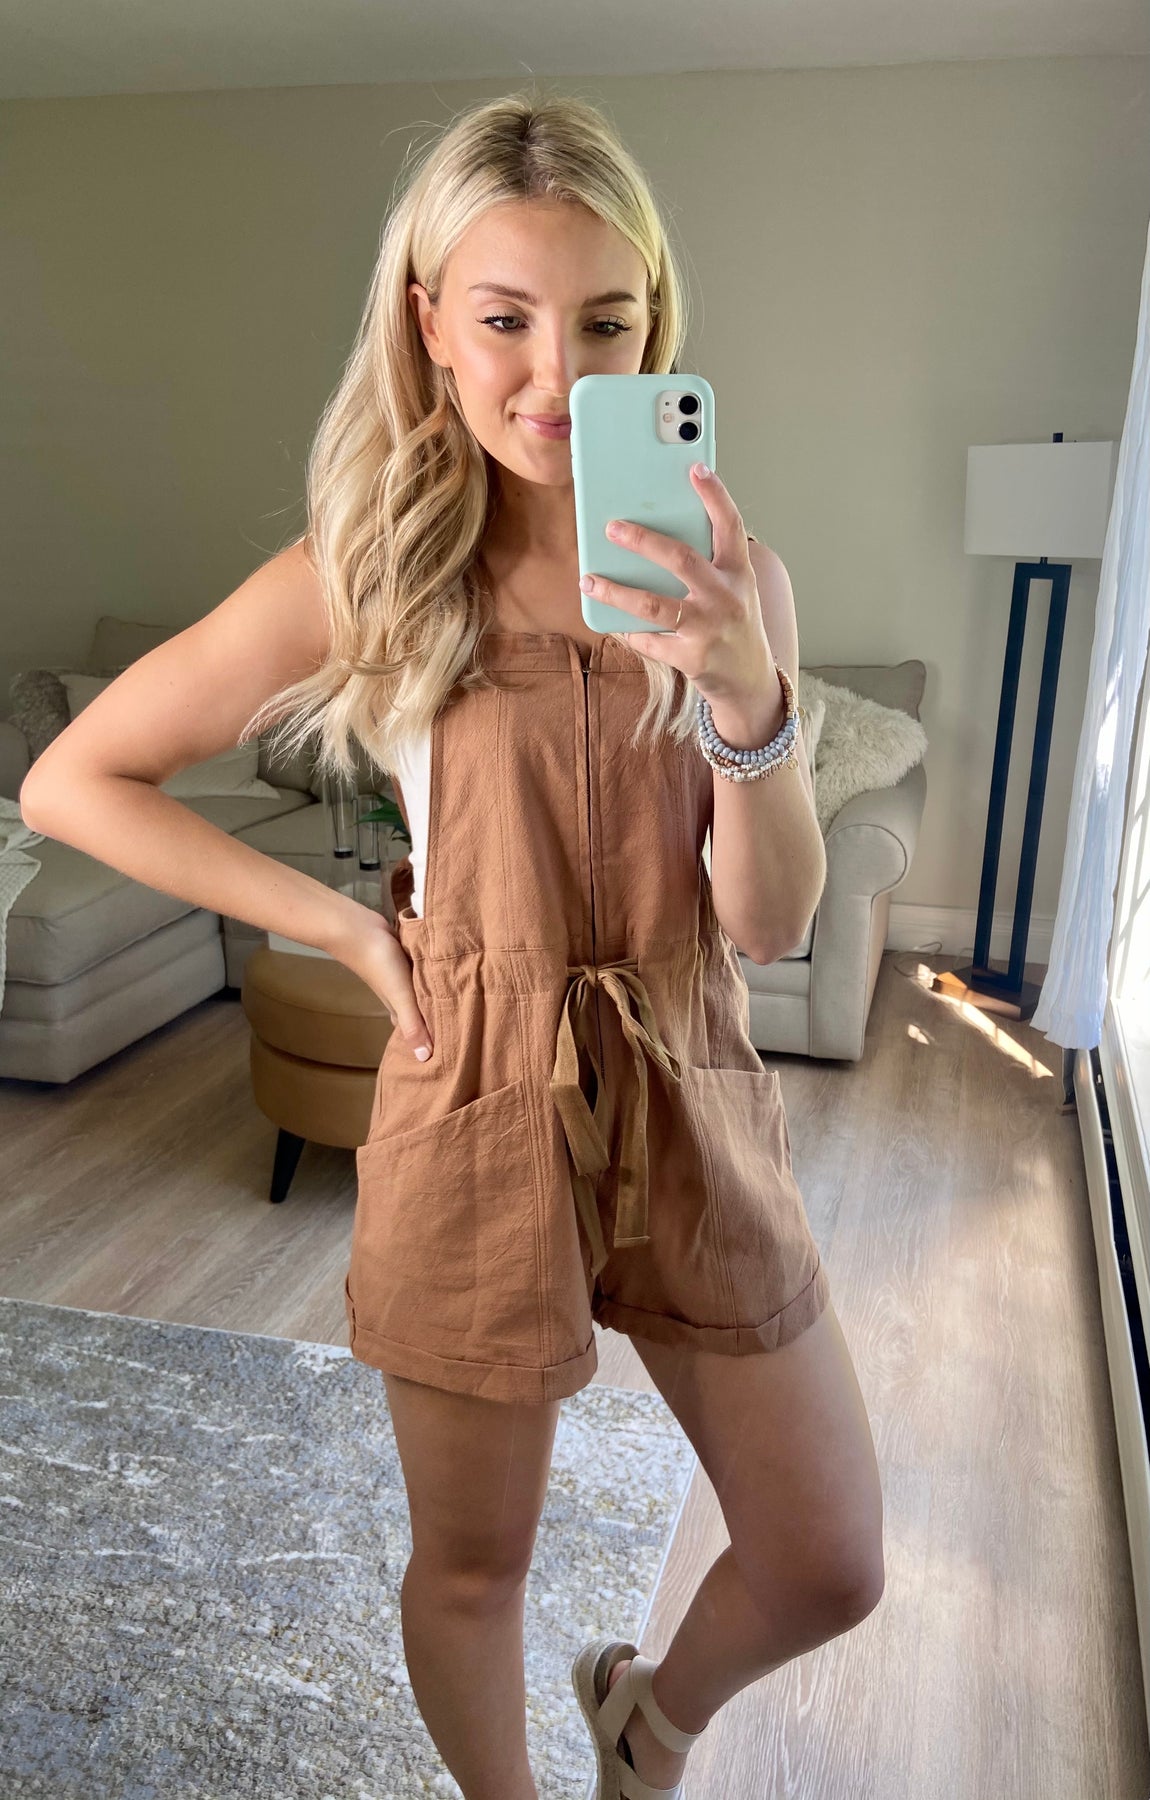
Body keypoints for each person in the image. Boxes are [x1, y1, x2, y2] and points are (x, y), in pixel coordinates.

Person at [20, 89, 885, 1800]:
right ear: (427, 323)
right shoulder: (377, 573)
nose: (554, 375)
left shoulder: (738, 582)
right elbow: (73, 779)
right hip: (474, 1089)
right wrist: (341, 926)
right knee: (475, 1568)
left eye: (604, 323)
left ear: (654, 326)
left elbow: (769, 922)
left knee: (825, 1560)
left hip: (687, 1078)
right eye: (502, 319)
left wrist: (742, 691)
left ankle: (647, 1719)